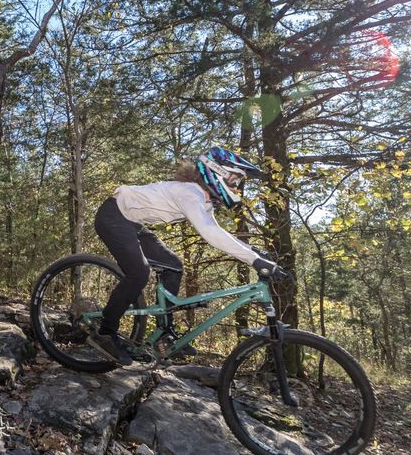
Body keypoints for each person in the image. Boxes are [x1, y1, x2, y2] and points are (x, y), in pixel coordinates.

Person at [88, 146, 288, 365]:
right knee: (139, 273)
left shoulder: (203, 199)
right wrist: (254, 260)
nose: (237, 185)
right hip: (113, 215)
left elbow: (218, 231)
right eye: (234, 179)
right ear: (216, 172)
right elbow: (210, 233)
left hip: (133, 223)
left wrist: (254, 253)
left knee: (173, 265)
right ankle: (105, 332)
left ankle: (164, 334)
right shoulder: (189, 192)